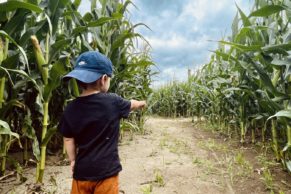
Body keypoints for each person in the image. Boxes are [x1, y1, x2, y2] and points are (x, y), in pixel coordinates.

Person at [58, 51, 146, 194]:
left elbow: (68, 138)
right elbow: (132, 104)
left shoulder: (70, 108)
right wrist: (142, 103)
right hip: (107, 172)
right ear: (103, 79)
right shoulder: (113, 102)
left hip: (82, 173)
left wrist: (73, 161)